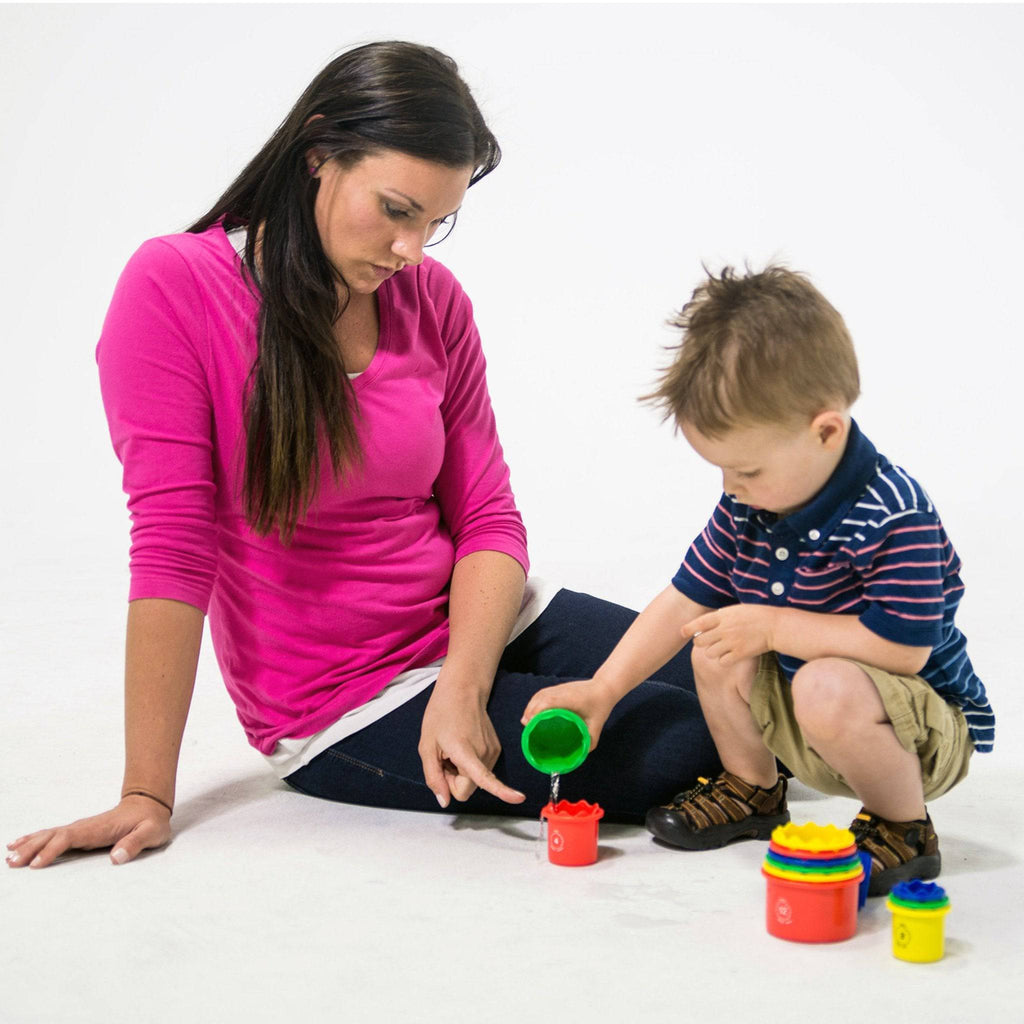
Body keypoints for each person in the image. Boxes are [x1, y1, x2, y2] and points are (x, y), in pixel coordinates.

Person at [6, 41, 720, 871]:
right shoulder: (174, 286)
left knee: (742, 676)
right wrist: (145, 795)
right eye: (395, 209)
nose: (411, 249)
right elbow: (173, 546)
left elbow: (487, 516)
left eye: (435, 222)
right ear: (319, 152)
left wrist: (463, 683)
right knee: (689, 743)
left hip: (480, 626)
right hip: (348, 701)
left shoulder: (433, 299)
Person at [522, 265, 993, 895]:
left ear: (825, 432)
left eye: (746, 470)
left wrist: (772, 627)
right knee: (716, 643)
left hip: (919, 730)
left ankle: (903, 828)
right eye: (722, 470)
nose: (730, 488)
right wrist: (604, 690)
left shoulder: (893, 515)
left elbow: (902, 649)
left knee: (820, 680)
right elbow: (684, 599)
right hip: (811, 711)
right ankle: (753, 790)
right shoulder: (753, 505)